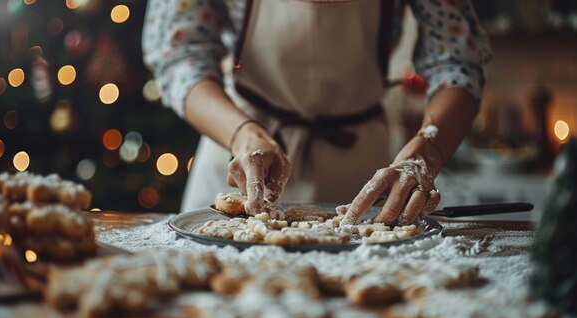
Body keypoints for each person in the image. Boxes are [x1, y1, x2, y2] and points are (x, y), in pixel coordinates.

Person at [142, 0, 491, 225]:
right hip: (238, 159)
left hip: (361, 174)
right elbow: (180, 56)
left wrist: (426, 150)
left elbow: (457, 60)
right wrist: (241, 133)